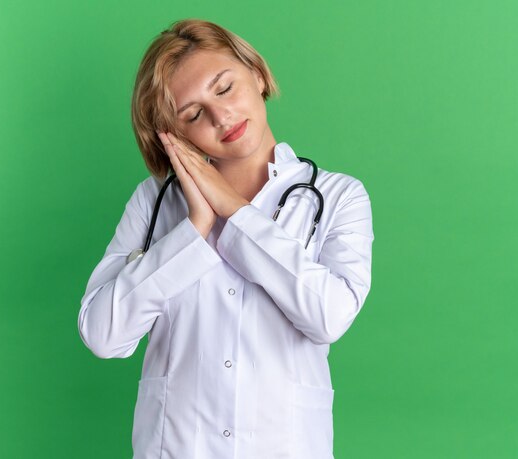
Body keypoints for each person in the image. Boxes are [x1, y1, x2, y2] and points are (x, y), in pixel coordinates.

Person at [78, 18, 374, 459]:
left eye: (224, 88)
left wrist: (233, 212)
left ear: (255, 73)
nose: (222, 116)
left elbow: (328, 317)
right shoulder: (153, 202)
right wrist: (194, 229)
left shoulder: (337, 196)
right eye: (193, 114)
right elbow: (103, 335)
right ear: (174, 135)